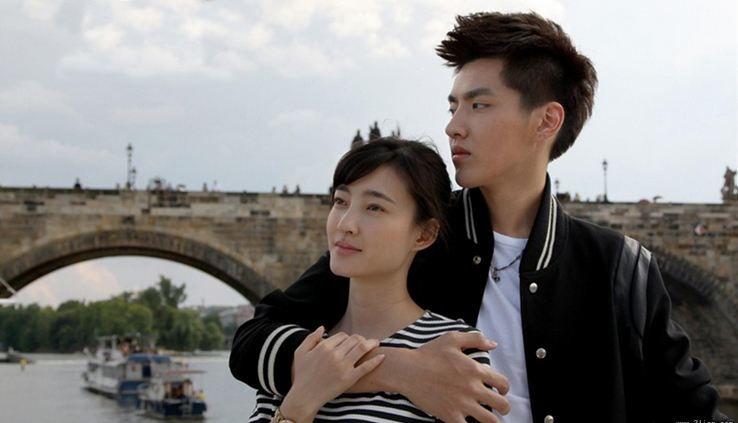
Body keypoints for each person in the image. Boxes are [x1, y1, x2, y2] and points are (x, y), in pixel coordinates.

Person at [231, 12, 726, 423]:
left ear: (547, 120)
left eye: (479, 105)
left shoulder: (618, 266)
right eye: (453, 106)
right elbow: (253, 342)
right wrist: (399, 369)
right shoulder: (416, 236)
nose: (453, 126)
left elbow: (695, 409)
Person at [249, 138, 492, 422]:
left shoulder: (453, 352)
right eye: (340, 202)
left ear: (424, 234)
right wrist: (299, 405)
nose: (345, 224)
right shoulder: (295, 348)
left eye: (374, 207)